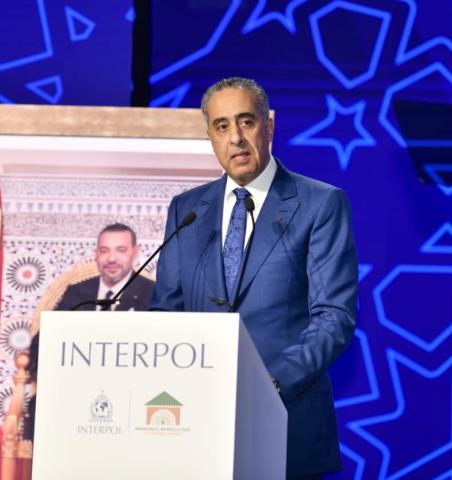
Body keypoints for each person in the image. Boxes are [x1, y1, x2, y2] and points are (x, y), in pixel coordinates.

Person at [150, 77, 358, 479]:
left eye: (246, 122)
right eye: (222, 126)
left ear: (270, 126)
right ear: (210, 136)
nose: (236, 138)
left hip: (287, 423)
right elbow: (166, 314)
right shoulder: (186, 210)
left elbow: (334, 318)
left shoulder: (320, 204)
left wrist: (267, 385)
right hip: (196, 428)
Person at [55, 223, 155, 311]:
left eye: (121, 250)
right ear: (96, 254)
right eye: (104, 251)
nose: (111, 259)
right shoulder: (75, 293)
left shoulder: (153, 294)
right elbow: (52, 327)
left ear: (135, 253)